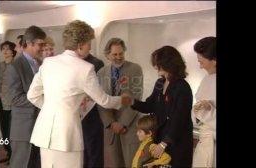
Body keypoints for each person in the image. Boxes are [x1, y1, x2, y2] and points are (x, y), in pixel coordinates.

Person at [26, 20, 126, 168]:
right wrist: (122, 100)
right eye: (88, 43)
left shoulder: (48, 63)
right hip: (67, 133)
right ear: (80, 45)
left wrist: (52, 108)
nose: (89, 47)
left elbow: (32, 95)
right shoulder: (86, 68)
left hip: (44, 131)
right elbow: (103, 100)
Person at [125, 45, 193, 167]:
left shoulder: (182, 87)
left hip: (176, 142)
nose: (155, 66)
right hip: (160, 138)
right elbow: (150, 106)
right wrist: (132, 102)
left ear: (168, 63)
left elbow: (179, 119)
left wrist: (164, 143)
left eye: (157, 63)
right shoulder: (160, 83)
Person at [97, 37, 144, 167]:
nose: (118, 57)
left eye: (121, 53)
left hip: (129, 126)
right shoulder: (101, 73)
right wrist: (111, 123)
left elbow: (136, 97)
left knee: (131, 163)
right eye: (115, 54)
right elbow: (100, 100)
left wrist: (122, 123)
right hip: (110, 128)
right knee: (113, 163)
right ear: (107, 55)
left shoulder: (135, 69)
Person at [4, 25, 46, 168]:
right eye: (40, 44)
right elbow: (14, 98)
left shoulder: (41, 64)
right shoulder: (14, 67)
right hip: (23, 129)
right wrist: (42, 100)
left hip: (40, 127)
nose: (43, 48)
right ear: (28, 43)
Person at [192, 36, 216, 168]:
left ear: (214, 60)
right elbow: (196, 112)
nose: (200, 67)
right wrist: (197, 112)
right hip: (204, 143)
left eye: (202, 62)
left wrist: (209, 111)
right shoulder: (206, 80)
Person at [80, 53, 105, 168]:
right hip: (76, 116)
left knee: (93, 152)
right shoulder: (70, 63)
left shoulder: (96, 64)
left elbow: (100, 92)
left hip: (92, 115)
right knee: (81, 154)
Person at [0, 40, 17, 165]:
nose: (5, 51)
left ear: (13, 51)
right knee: (4, 130)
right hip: (0, 102)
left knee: (12, 130)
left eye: (8, 48)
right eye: (3, 48)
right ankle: (8, 153)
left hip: (13, 102)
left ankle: (15, 155)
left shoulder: (16, 65)